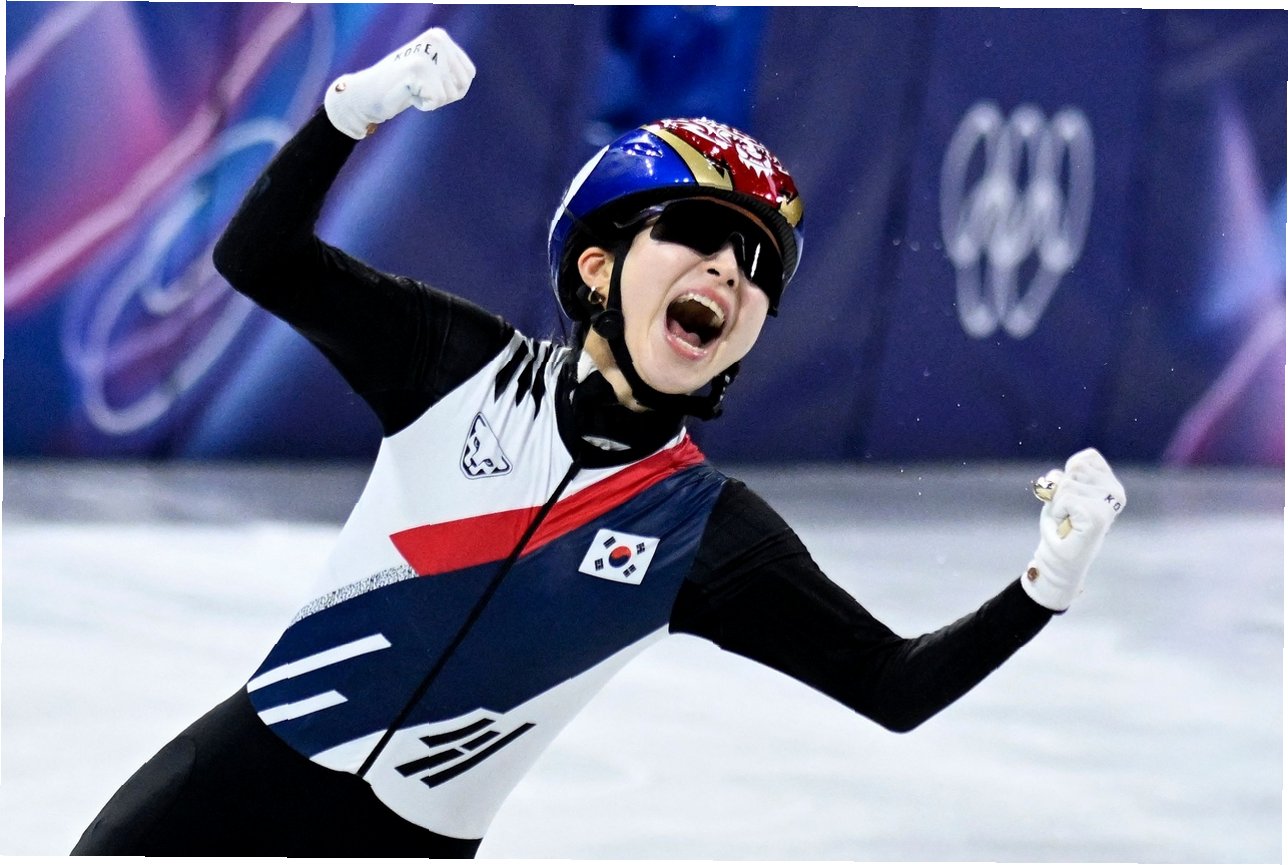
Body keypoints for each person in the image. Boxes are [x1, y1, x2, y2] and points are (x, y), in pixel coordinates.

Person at [72, 26, 1127, 858]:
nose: (729, 271)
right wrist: (355, 110)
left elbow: (892, 685)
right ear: (595, 268)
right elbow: (259, 257)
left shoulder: (706, 532)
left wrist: (1047, 582)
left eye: (757, 266)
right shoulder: (459, 368)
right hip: (224, 788)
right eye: (698, 236)